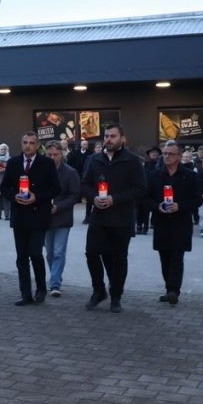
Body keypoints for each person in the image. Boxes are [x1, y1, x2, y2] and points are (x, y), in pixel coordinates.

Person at [79, 123, 146, 313]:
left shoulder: (132, 160)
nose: (109, 139)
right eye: (106, 136)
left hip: (121, 218)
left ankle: (116, 296)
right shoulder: (94, 160)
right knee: (91, 253)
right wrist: (93, 198)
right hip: (98, 217)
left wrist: (114, 199)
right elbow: (84, 184)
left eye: (113, 136)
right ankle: (99, 290)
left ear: (122, 139)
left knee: (119, 258)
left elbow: (140, 188)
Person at [0, 132, 60, 306]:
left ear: (37, 144)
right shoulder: (13, 162)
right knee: (21, 257)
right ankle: (25, 293)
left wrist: (37, 197)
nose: (28, 146)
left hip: (38, 215)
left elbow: (56, 189)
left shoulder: (46, 163)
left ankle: (41, 289)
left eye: (31, 143)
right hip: (19, 215)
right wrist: (14, 196)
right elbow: (4, 187)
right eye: (25, 142)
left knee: (35, 253)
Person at [146, 141, 201, 304]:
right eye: (165, 153)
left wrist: (180, 206)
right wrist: (157, 207)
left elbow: (197, 199)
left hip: (181, 222)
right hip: (161, 222)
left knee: (177, 256)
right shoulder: (154, 175)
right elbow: (145, 199)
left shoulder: (190, 175)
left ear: (179, 156)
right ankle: (169, 287)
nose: (167, 156)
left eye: (171, 154)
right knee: (164, 257)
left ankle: (173, 290)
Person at [43, 141, 80, 298]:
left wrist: (58, 206)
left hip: (62, 218)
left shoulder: (70, 173)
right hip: (44, 218)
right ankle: (55, 277)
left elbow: (75, 195)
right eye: (49, 155)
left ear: (61, 154)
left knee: (59, 251)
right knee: (50, 253)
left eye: (55, 155)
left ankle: (55, 283)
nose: (52, 158)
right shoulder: (41, 170)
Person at [136, 146, 161, 234]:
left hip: (155, 188)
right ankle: (139, 226)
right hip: (143, 190)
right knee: (141, 209)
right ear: (149, 155)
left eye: (155, 153)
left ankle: (151, 224)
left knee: (152, 208)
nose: (153, 154)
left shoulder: (161, 163)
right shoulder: (146, 165)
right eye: (152, 153)